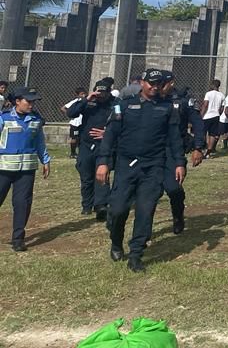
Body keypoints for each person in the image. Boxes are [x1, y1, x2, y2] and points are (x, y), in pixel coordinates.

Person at [97, 68, 184, 273]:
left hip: (153, 166)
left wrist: (180, 162)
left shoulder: (168, 108)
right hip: (126, 165)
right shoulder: (124, 106)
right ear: (142, 83)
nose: (154, 87)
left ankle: (136, 253)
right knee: (118, 210)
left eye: (158, 84)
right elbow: (110, 136)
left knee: (145, 211)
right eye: (151, 83)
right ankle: (116, 241)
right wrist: (103, 162)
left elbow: (174, 138)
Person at [0, 87, 51, 251]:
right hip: (3, 169)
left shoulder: (35, 119)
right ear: (17, 101)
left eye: (33, 101)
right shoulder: (4, 118)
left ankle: (18, 239)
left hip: (26, 170)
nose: (31, 104)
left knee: (22, 204)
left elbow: (39, 142)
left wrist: (45, 160)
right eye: (28, 101)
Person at [156, 71, 205, 235]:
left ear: (171, 83)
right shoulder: (150, 99)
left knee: (174, 189)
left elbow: (198, 123)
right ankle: (144, 229)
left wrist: (198, 147)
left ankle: (178, 216)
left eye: (164, 82)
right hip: (151, 150)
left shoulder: (182, 100)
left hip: (173, 150)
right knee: (150, 193)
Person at [65, 78, 116, 221]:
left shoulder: (116, 103)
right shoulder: (88, 102)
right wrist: (85, 99)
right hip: (86, 145)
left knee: (101, 175)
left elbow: (121, 120)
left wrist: (108, 132)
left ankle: (101, 206)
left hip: (104, 145)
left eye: (104, 93)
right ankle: (87, 205)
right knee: (86, 175)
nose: (101, 95)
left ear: (109, 92)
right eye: (98, 92)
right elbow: (71, 113)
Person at [201, 80, 224, 157]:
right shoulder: (221, 95)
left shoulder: (208, 94)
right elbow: (222, 108)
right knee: (212, 134)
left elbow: (205, 105)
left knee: (203, 132)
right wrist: (218, 114)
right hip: (216, 115)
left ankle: (202, 148)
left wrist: (201, 115)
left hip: (207, 116)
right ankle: (209, 151)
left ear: (212, 85)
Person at [66, 86, 86, 158]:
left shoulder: (85, 101)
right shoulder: (75, 102)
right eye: (81, 94)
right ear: (77, 95)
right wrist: (70, 115)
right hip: (75, 124)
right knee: (74, 138)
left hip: (82, 123)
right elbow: (64, 108)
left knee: (80, 138)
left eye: (84, 94)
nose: (83, 95)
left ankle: (81, 152)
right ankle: (73, 153)